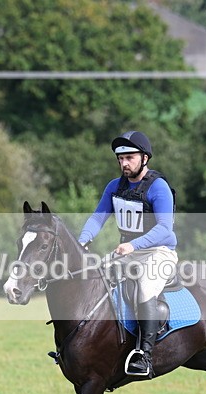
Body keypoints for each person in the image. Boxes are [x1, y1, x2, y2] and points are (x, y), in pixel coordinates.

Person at [78, 131, 177, 378]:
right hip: (126, 253)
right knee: (96, 280)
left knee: (144, 288)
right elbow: (97, 218)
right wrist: (83, 240)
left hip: (158, 252)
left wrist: (134, 246)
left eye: (129, 158)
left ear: (145, 158)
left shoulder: (158, 187)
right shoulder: (115, 187)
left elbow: (165, 229)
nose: (124, 163)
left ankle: (144, 355)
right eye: (120, 159)